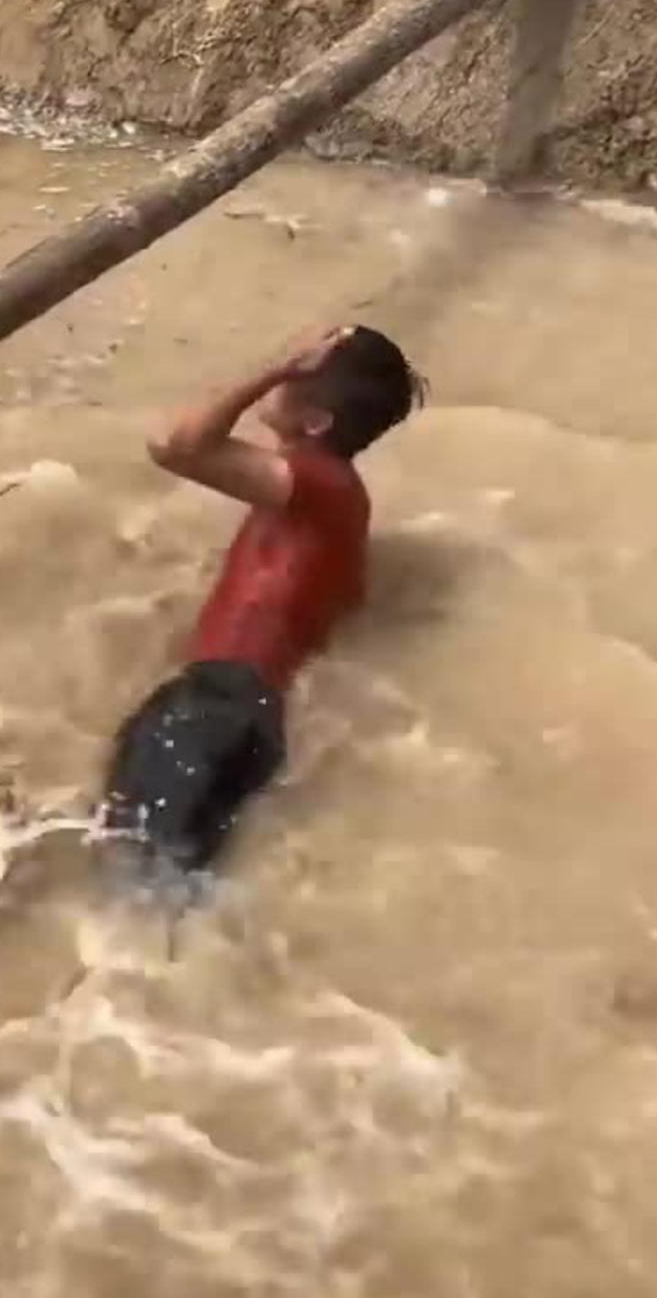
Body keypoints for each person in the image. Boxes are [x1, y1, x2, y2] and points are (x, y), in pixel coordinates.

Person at [103, 326, 424, 884]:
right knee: (164, 883)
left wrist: (271, 367)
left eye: (298, 374)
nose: (288, 363)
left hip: (212, 705)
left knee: (131, 876)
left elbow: (172, 445)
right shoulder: (341, 502)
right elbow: (346, 607)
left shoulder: (314, 482)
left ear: (315, 423)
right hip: (250, 717)